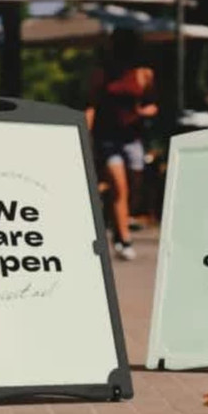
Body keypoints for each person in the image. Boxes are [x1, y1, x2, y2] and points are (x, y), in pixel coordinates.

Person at [85, 28, 158, 260]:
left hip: (133, 138)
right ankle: (123, 239)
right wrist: (85, 132)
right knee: (119, 187)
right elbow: (91, 103)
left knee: (134, 186)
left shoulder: (144, 74)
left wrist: (143, 112)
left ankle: (117, 219)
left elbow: (153, 104)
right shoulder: (104, 72)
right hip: (108, 137)